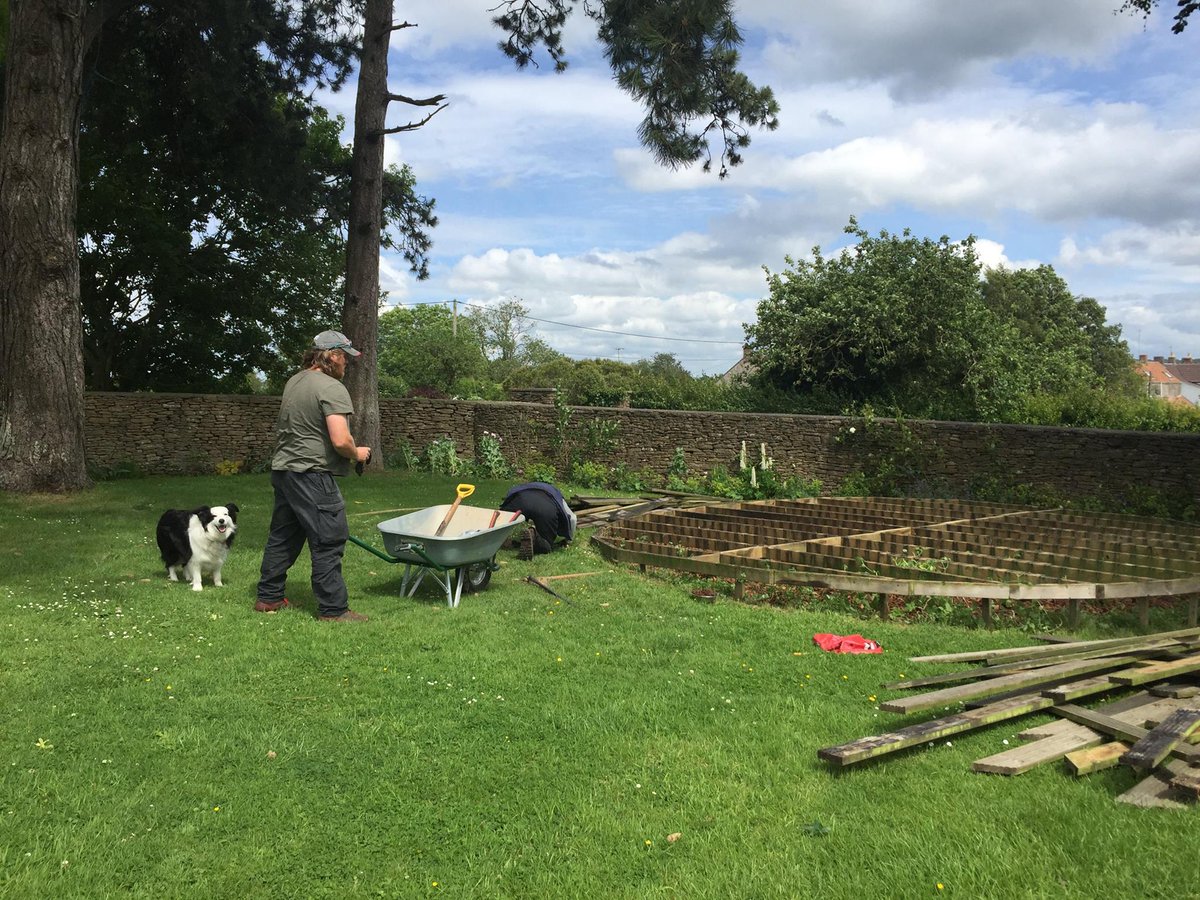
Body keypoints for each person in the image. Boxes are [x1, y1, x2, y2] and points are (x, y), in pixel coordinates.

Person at [254, 330, 372, 622]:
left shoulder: (295, 381)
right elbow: (341, 441)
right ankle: (333, 610)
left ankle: (269, 598)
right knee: (329, 538)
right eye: (344, 357)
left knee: (283, 535)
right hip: (312, 473)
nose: (346, 364)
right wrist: (358, 453)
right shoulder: (332, 388)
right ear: (332, 356)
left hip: (285, 471)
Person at [499, 481, 577, 556]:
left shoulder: (524, 487)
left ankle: (499, 541)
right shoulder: (557, 495)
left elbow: (509, 496)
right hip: (545, 507)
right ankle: (535, 536)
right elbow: (573, 519)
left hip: (520, 499)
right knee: (546, 546)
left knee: (501, 519)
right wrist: (568, 541)